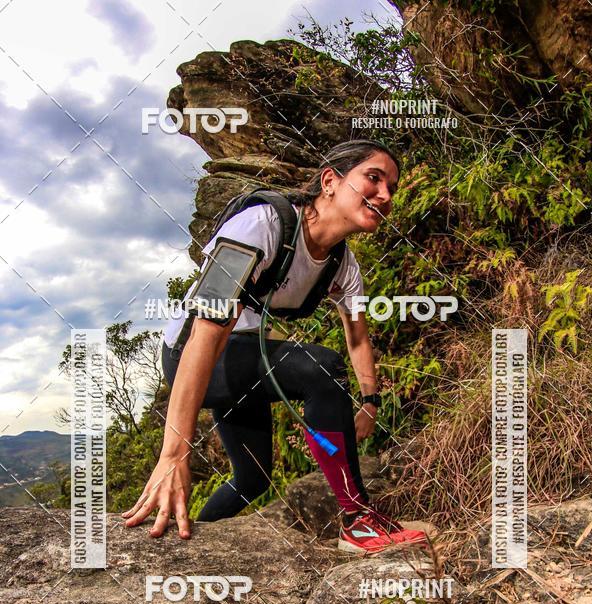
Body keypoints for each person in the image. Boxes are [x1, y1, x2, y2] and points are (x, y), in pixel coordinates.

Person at [122, 139, 427, 553]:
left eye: (392, 186)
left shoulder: (343, 265)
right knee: (320, 369)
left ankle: (178, 547)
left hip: (245, 359)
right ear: (330, 181)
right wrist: (174, 454)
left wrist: (370, 400)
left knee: (253, 478)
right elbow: (206, 331)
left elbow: (357, 335)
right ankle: (358, 521)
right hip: (191, 353)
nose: (385, 195)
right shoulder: (259, 226)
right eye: (373, 178)